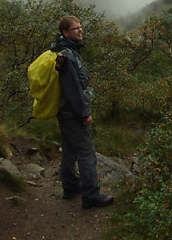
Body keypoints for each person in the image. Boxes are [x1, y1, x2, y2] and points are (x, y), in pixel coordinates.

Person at [53, 15, 114, 209]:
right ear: (65, 32)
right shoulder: (68, 57)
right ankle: (91, 195)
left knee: (69, 150)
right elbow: (74, 90)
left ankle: (71, 187)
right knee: (86, 153)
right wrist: (84, 113)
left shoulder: (68, 52)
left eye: (80, 27)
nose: (80, 30)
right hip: (73, 113)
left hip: (65, 112)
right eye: (75, 29)